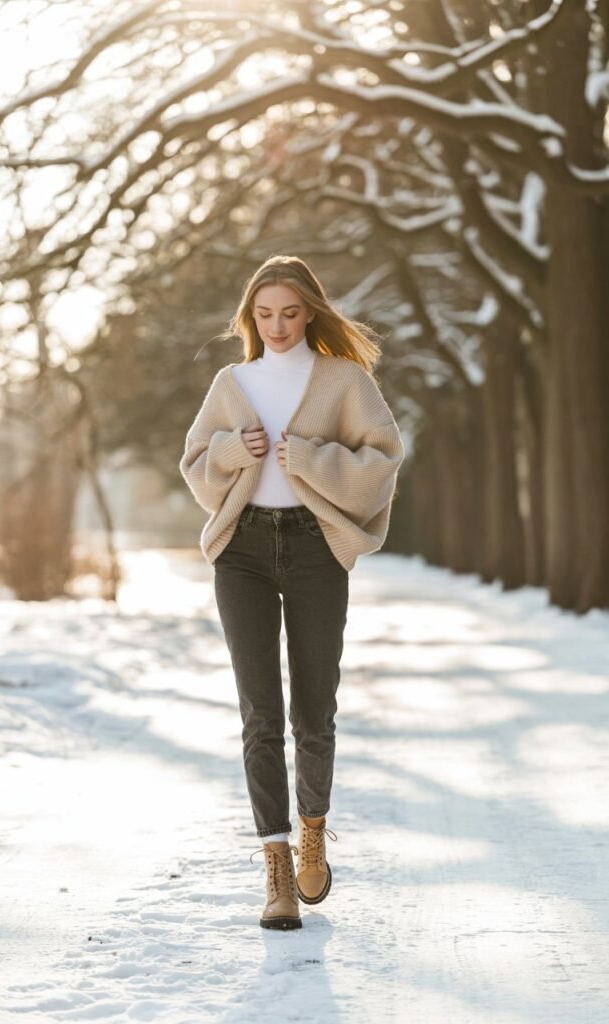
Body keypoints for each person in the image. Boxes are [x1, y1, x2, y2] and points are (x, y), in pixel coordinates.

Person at [179, 255, 405, 931]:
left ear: (311, 313)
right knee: (259, 713)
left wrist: (312, 459)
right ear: (250, 317)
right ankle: (275, 869)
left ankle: (312, 833)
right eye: (264, 314)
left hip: (314, 548)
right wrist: (231, 451)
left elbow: (384, 457)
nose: (277, 326)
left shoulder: (343, 379)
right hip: (241, 550)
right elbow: (195, 463)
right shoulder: (232, 382)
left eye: (290, 312)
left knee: (314, 707)